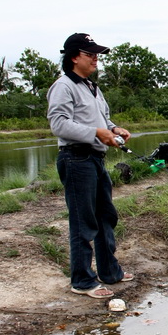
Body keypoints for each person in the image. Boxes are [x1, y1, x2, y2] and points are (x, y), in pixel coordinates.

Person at [47, 33, 135, 298]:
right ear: (74, 57)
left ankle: (110, 272)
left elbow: (104, 120)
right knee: (83, 222)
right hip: (75, 159)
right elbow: (59, 124)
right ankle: (82, 281)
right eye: (90, 54)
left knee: (105, 216)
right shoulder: (63, 86)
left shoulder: (92, 87)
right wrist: (97, 133)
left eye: (97, 54)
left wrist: (113, 129)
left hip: (96, 159)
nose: (96, 58)